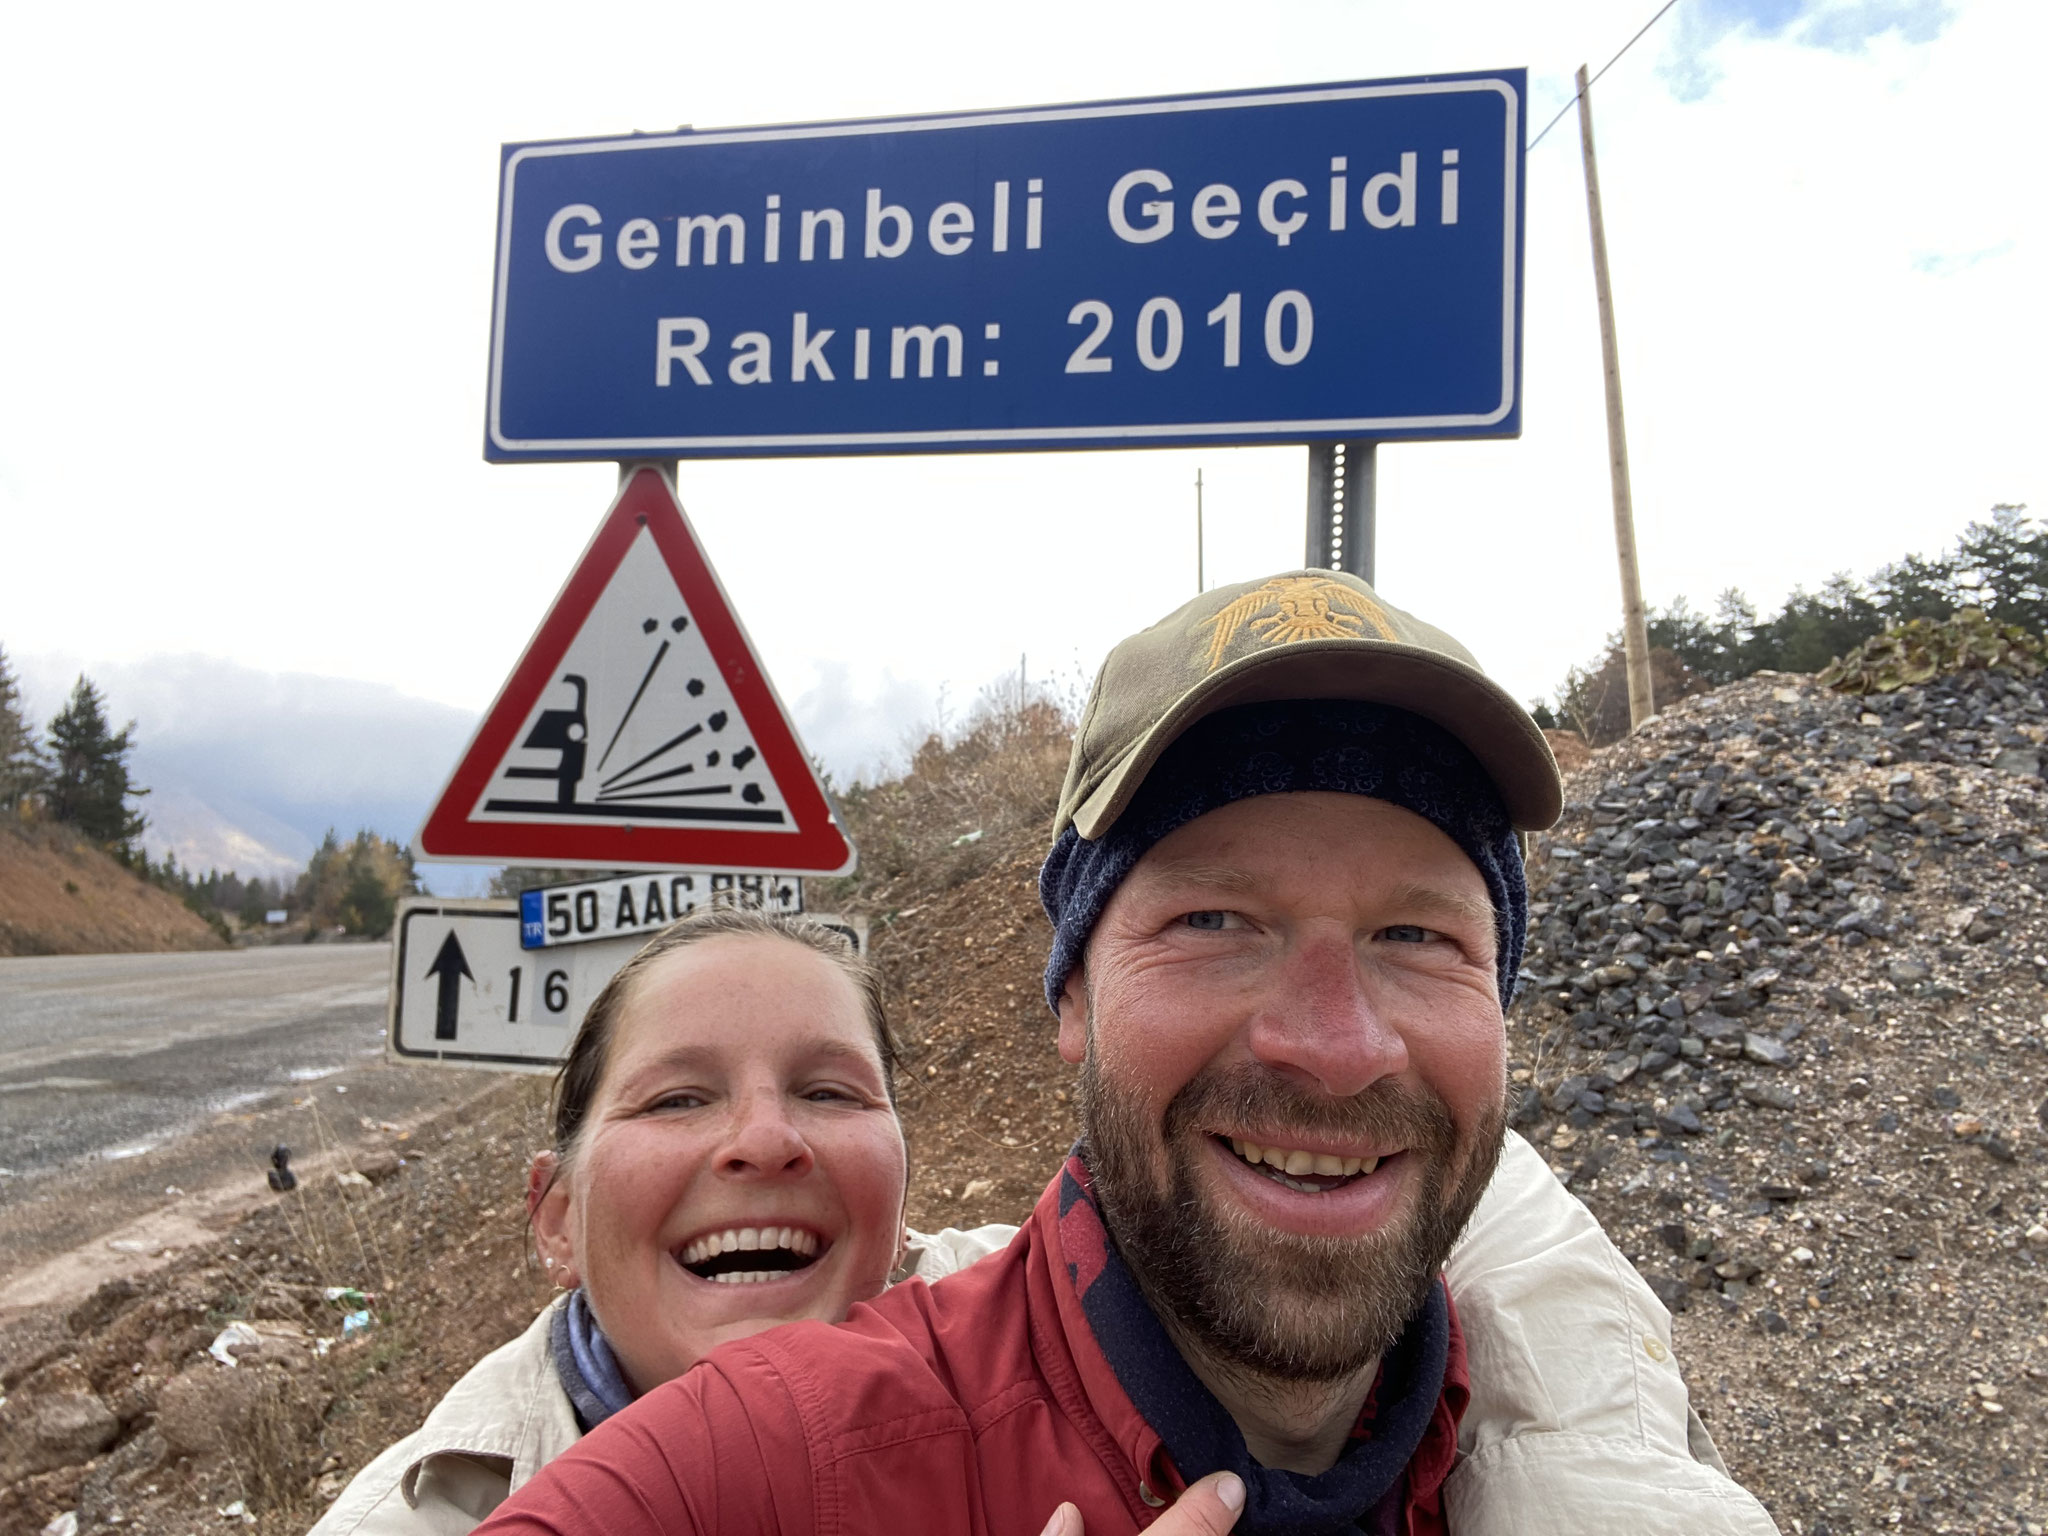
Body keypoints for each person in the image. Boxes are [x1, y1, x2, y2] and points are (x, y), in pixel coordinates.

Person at [471, 570, 1779, 1536]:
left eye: (1415, 934)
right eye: (1216, 921)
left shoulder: (1599, 1433)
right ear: (1073, 1002)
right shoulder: (785, 1456)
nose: (1333, 1045)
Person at [310, 910, 1014, 1536]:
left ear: (897, 1205)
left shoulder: (1071, 1326)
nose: (766, 1141)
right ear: (560, 1221)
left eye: (829, 1092)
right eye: (675, 1101)